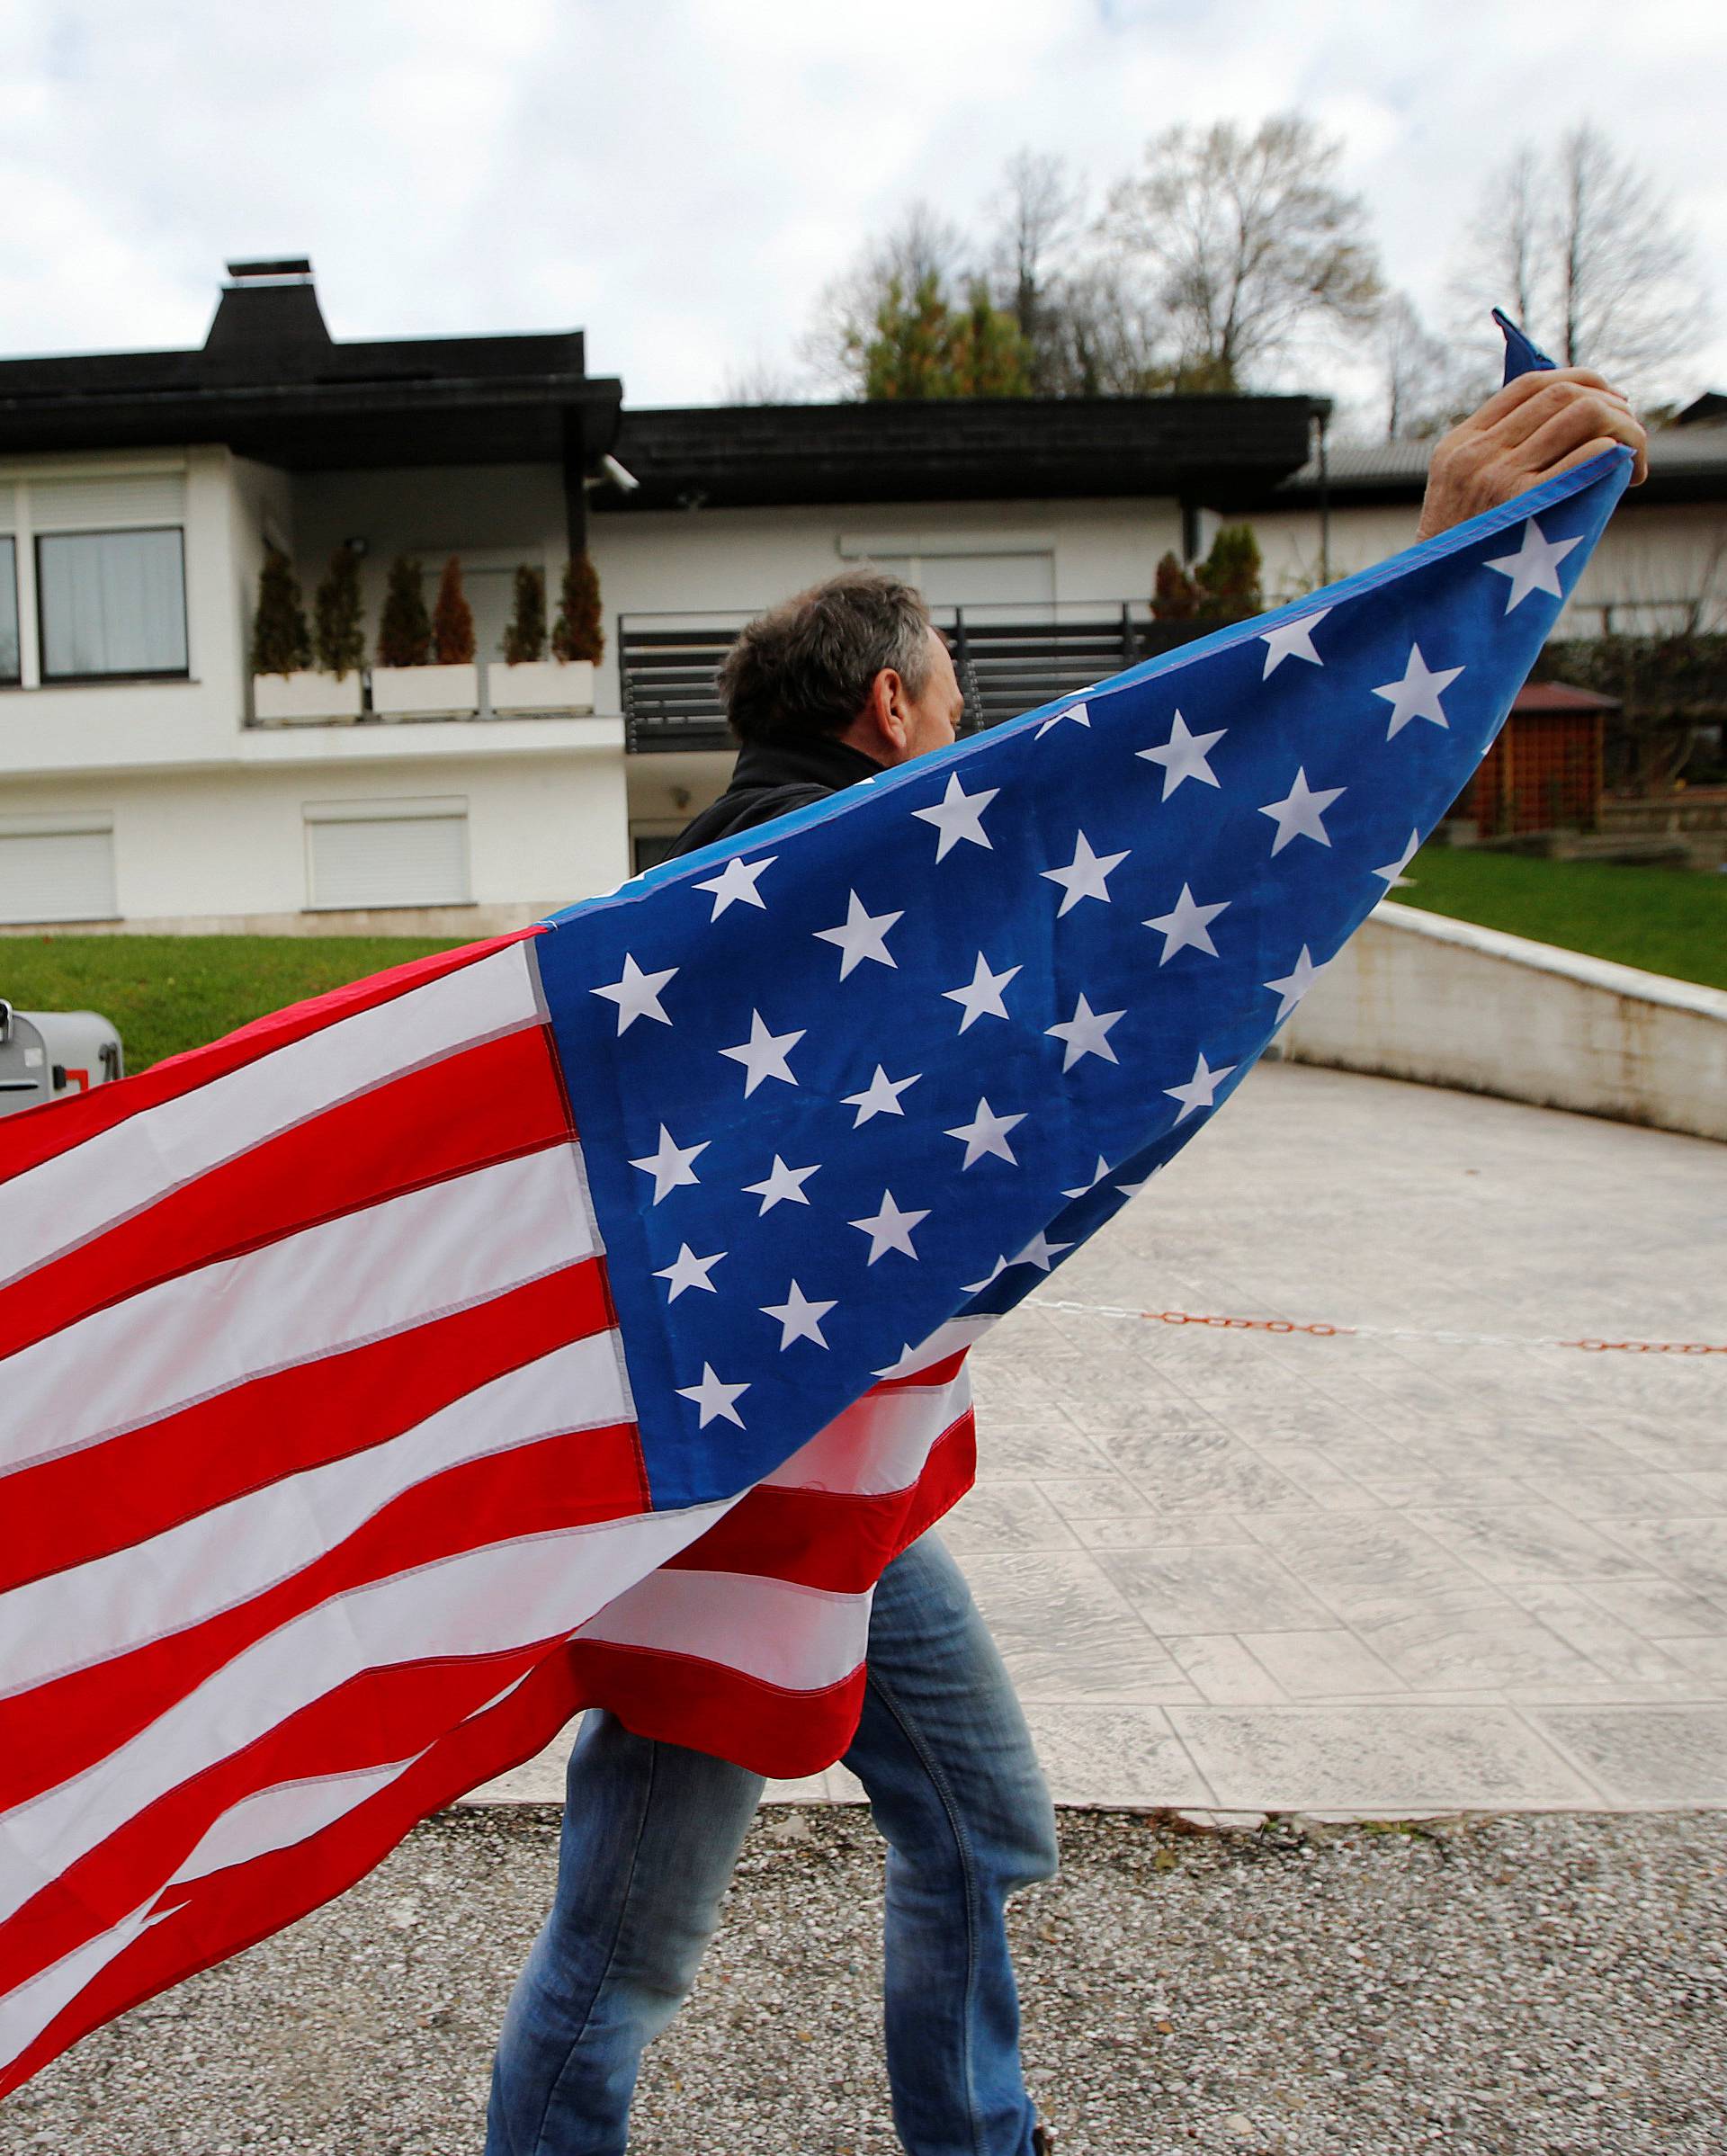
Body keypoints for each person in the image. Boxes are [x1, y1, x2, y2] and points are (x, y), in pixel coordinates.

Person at [484, 366, 1647, 2156]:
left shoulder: (706, 893)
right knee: (626, 1946)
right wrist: (1434, 574)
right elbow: (1156, 835)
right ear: (893, 709)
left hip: (850, 1483)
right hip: (730, 1510)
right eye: (959, 693)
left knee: (980, 1823)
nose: (977, 724)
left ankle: (980, 2131)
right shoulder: (833, 881)